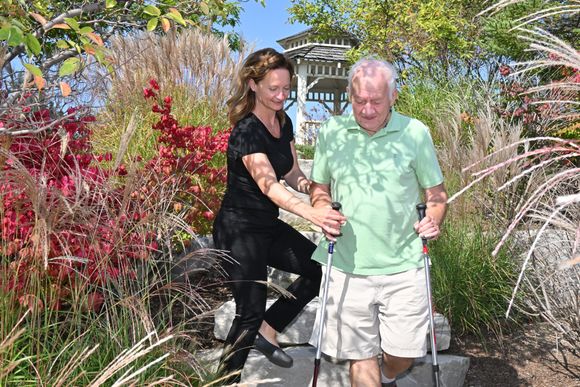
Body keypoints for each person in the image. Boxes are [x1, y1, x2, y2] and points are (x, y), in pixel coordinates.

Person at [309, 57, 448, 387]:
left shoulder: (415, 133)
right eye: (359, 101)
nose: (367, 109)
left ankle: (389, 374)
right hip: (346, 266)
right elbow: (319, 187)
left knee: (404, 354)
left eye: (376, 101)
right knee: (360, 357)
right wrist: (322, 209)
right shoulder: (332, 132)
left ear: (393, 96)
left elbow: (437, 194)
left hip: (404, 265)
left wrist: (433, 219)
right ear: (349, 95)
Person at [212, 48, 345, 383]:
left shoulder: (282, 123)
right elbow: (270, 186)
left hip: (267, 228)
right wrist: (311, 213)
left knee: (318, 270)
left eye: (286, 89)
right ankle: (223, 382)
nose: (281, 96)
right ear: (253, 84)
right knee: (248, 312)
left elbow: (292, 174)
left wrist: (319, 192)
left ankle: (269, 330)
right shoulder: (246, 131)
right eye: (274, 88)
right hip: (238, 231)